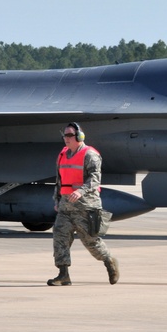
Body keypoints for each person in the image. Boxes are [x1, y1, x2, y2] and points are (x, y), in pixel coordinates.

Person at [47, 122, 119, 286]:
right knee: (60, 236)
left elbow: (95, 179)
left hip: (86, 206)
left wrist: (81, 191)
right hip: (66, 206)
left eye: (70, 135)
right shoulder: (63, 154)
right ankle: (63, 274)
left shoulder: (90, 155)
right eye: (65, 135)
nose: (66, 139)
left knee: (91, 241)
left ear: (79, 137)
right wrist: (57, 200)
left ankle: (109, 261)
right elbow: (59, 180)